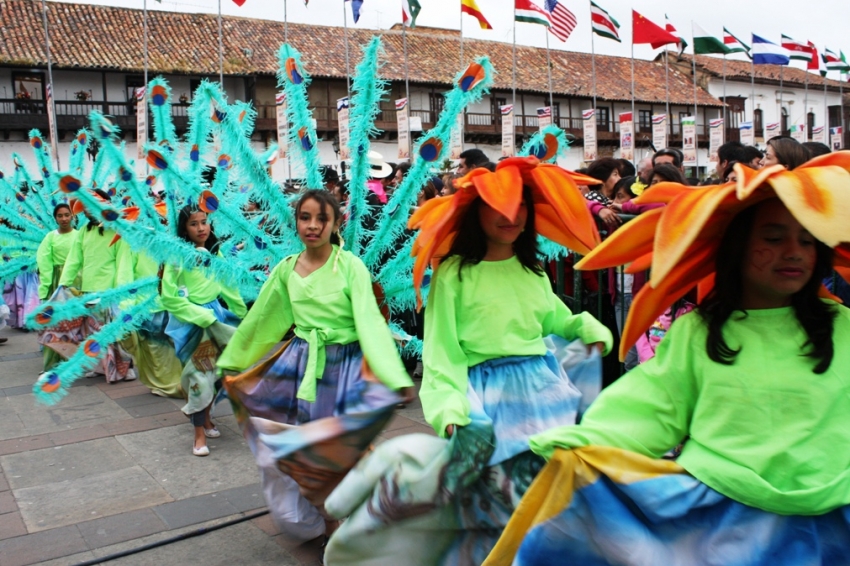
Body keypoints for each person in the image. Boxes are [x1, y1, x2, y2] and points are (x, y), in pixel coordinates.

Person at [487, 161, 850, 565]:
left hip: (835, 517)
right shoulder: (698, 332)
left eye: (807, 239)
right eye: (774, 236)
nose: (794, 252)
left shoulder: (843, 326)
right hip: (724, 523)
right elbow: (651, 407)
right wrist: (582, 444)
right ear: (737, 246)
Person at [321, 158, 611, 565]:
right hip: (488, 399)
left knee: (547, 499)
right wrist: (448, 404)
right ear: (476, 212)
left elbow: (551, 317)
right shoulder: (454, 273)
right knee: (490, 498)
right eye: (499, 207)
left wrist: (583, 325)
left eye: (521, 206)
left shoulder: (532, 269)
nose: (512, 216)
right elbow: (442, 348)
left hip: (543, 394)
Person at [218, 189, 414, 541]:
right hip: (301, 363)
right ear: (295, 223)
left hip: (346, 367)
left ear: (336, 223)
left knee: (339, 448)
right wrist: (233, 362)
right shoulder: (286, 269)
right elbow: (262, 320)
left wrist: (391, 374)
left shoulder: (350, 265)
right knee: (301, 447)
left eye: (322, 218)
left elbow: (369, 320)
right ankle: (324, 524)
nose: (312, 226)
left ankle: (348, 521)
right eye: (305, 217)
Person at [161, 206, 246, 456]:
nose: (201, 228)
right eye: (194, 224)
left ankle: (207, 418)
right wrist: (199, 315)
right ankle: (198, 434)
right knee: (199, 377)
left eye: (204, 222)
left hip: (217, 320)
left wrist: (243, 315)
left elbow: (228, 286)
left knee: (220, 373)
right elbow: (169, 296)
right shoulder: (176, 256)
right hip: (194, 324)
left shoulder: (216, 252)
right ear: (184, 229)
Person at [57, 192, 133, 382]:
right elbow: (75, 258)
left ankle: (124, 368)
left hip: (110, 292)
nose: (90, 209)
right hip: (89, 290)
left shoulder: (117, 230)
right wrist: (64, 283)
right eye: (86, 206)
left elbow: (124, 262)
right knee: (93, 333)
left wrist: (121, 293)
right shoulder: (84, 231)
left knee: (114, 335)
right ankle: (100, 367)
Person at [35, 203, 77, 371]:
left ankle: (75, 360)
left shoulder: (79, 235)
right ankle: (54, 361)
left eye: (67, 215)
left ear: (72, 216)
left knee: (75, 321)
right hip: (57, 283)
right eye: (60, 216)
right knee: (54, 322)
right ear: (55, 218)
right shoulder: (50, 237)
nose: (64, 218)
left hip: (76, 283)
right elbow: (44, 263)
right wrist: (46, 288)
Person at [585, 157, 621, 229]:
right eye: (615, 174)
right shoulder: (592, 197)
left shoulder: (609, 198)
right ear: (603, 178)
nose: (620, 178)